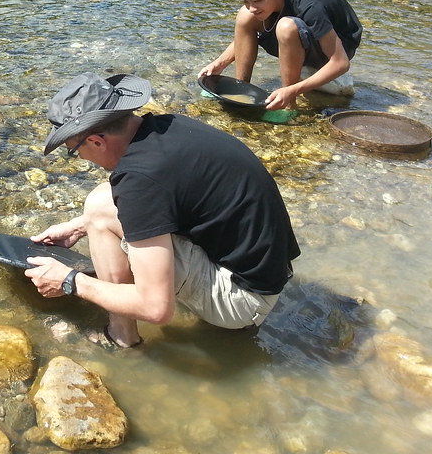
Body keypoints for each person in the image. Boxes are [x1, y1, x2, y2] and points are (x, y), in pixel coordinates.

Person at [25, 72, 300, 347]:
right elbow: (172, 196)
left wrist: (70, 281)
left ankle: (121, 337)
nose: (81, 158)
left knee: (99, 207)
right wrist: (78, 226)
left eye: (74, 150)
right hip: (268, 274)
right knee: (102, 203)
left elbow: (156, 309)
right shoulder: (168, 127)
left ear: (97, 141)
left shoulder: (139, 180)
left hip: (243, 302)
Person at [198, 0, 362, 109]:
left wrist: (291, 91)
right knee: (244, 16)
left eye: (257, 0)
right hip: (304, 35)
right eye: (246, 1)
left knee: (286, 27)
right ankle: (241, 90)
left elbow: (341, 62)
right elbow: (245, 36)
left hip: (339, 45)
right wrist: (220, 63)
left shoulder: (311, 6)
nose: (252, 7)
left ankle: (289, 104)